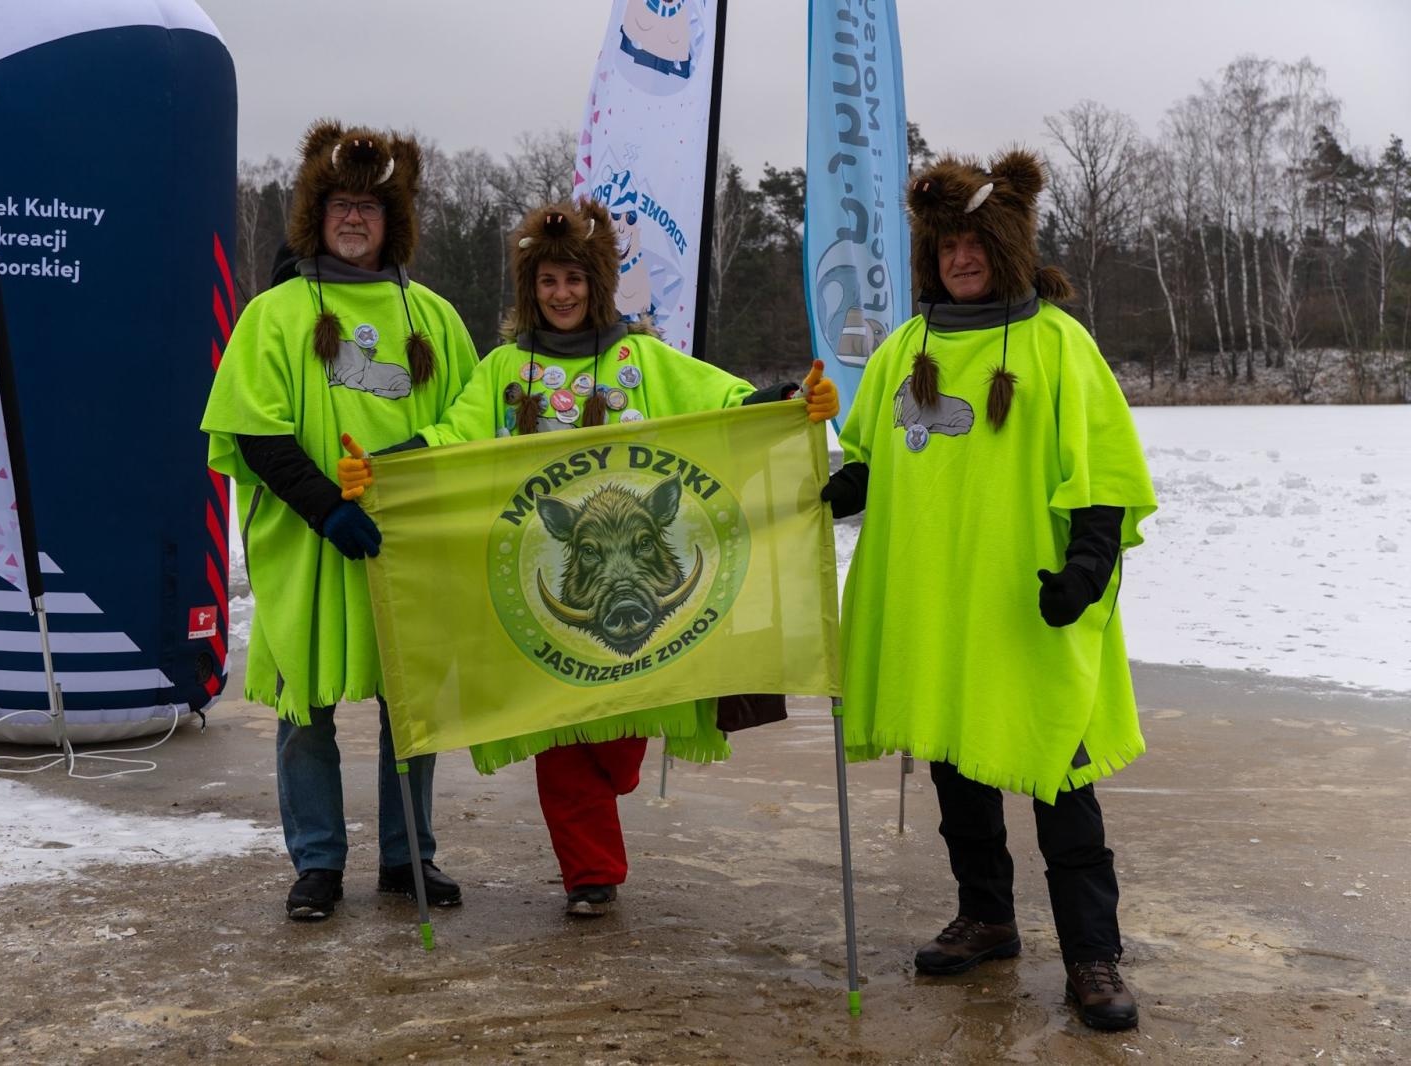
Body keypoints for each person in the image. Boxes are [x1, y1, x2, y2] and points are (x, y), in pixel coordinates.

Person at [339, 198, 837, 916]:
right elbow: (454, 436)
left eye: (573, 279)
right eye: (547, 282)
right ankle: (590, 874)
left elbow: (722, 400)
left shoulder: (641, 358)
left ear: (595, 284)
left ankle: (608, 795)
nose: (561, 294)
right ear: (530, 290)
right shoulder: (507, 367)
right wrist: (385, 470)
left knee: (620, 726)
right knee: (564, 731)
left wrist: (789, 399)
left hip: (643, 592)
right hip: (550, 592)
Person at [821, 149, 1157, 1030]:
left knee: (1057, 775)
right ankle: (989, 917)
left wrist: (1089, 566)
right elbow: (872, 457)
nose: (958, 261)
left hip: (1030, 603)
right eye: (945, 248)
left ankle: (1093, 955)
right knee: (957, 766)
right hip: (939, 607)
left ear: (1002, 249)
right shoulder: (908, 345)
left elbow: (1106, 470)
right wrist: (833, 489)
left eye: (974, 245)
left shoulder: (1056, 342)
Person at [201, 122, 478, 920]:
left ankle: (408, 859)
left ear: (394, 222)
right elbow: (255, 430)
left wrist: (409, 475)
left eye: (369, 207)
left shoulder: (433, 316)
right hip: (307, 548)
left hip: (408, 547)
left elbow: (471, 419)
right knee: (305, 713)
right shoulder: (275, 313)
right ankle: (318, 864)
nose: (354, 219)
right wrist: (327, 509)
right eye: (340, 206)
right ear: (315, 217)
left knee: (411, 707)